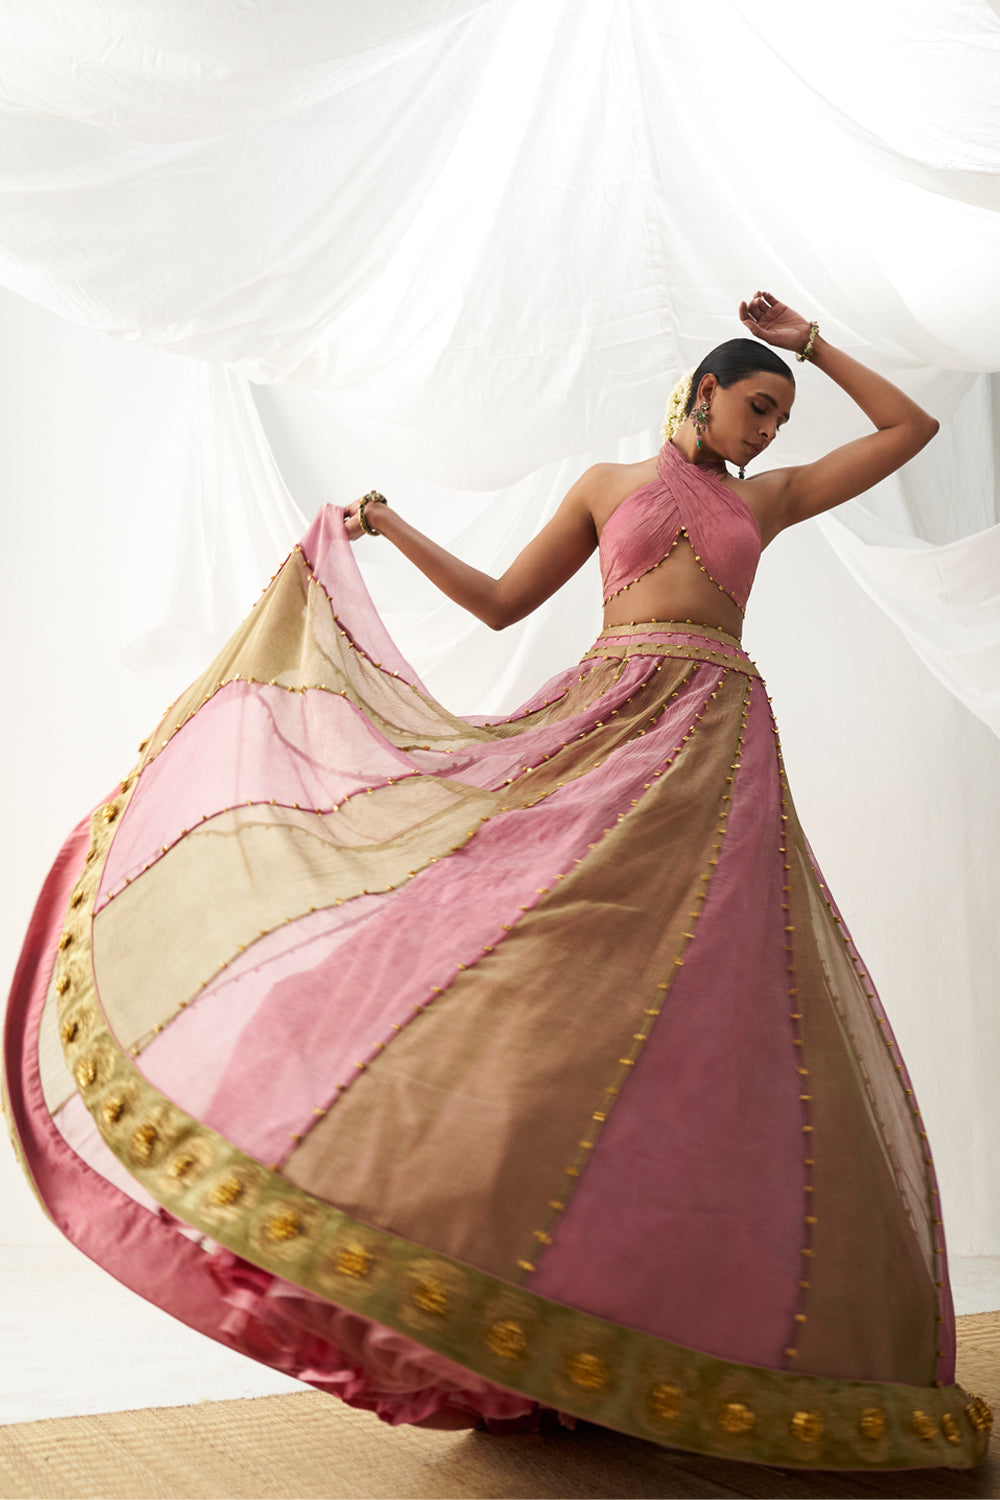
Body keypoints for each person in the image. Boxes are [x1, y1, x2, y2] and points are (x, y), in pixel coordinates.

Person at [4, 292, 992, 1472]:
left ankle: (642, 1323)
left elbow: (910, 431)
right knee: (531, 967)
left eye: (781, 417)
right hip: (607, 724)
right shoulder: (606, 487)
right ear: (701, 394)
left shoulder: (766, 501)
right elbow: (502, 603)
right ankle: (483, 1270)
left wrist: (812, 348)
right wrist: (394, 529)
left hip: (716, 754)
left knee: (697, 1012)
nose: (770, 430)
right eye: (758, 406)